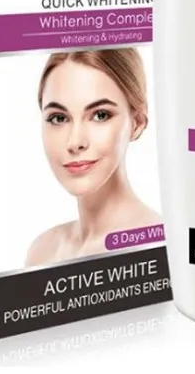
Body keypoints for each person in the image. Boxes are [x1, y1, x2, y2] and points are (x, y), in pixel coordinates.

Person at [25, 48, 161, 267]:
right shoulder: (42, 251)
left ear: (137, 122)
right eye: (59, 118)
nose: (75, 142)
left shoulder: (163, 246)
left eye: (100, 115)